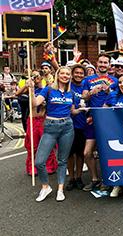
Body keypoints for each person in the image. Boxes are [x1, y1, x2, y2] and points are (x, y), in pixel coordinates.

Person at [28, 66, 82, 202]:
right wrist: (31, 89)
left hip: (67, 127)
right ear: (58, 75)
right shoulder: (49, 89)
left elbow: (73, 111)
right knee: (39, 161)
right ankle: (45, 187)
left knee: (62, 160)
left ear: (70, 77)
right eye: (62, 73)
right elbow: (35, 103)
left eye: (67, 74)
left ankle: (60, 189)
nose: (65, 76)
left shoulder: (72, 93)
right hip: (50, 127)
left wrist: (83, 109)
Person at [82, 53, 118, 192]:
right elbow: (84, 96)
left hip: (108, 120)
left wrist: (109, 91)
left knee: (106, 152)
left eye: (106, 63)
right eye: (101, 62)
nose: (103, 65)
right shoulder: (88, 79)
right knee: (87, 152)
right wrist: (91, 92)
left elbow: (118, 97)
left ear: (109, 65)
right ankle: (94, 179)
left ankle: (106, 179)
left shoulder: (115, 80)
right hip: (92, 119)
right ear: (97, 63)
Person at [24, 70, 57, 176]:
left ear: (42, 77)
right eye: (33, 75)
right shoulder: (30, 88)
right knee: (32, 145)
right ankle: (32, 166)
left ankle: (49, 166)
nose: (35, 77)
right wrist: (29, 87)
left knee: (47, 144)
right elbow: (17, 93)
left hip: (43, 120)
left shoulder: (46, 90)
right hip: (32, 120)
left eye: (37, 75)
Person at [66, 64, 87, 191]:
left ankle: (79, 178)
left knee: (80, 154)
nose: (79, 75)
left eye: (81, 73)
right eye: (76, 73)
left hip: (82, 124)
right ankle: (71, 178)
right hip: (68, 124)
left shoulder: (86, 85)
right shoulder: (67, 85)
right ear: (72, 74)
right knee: (69, 154)